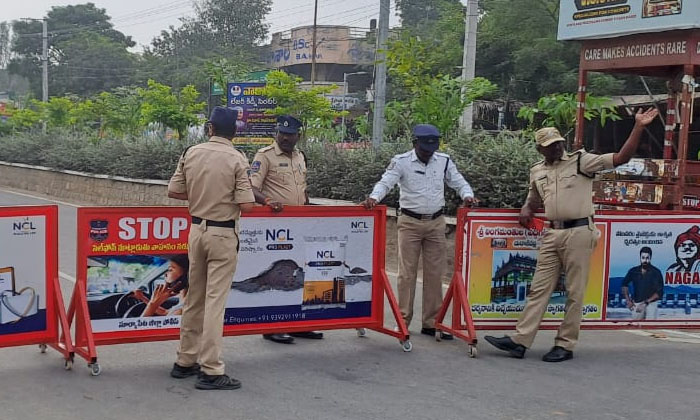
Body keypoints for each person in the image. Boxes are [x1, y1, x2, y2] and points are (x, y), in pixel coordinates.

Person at [485, 108, 658, 362]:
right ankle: (520, 340)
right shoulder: (537, 170)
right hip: (552, 232)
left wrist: (639, 127)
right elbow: (533, 198)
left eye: (558, 144)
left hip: (578, 231)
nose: (555, 148)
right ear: (539, 149)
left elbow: (621, 158)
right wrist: (525, 208)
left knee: (574, 291)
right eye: (549, 146)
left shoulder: (581, 161)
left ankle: (565, 344)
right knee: (539, 289)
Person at [361, 124, 477, 340]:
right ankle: (402, 320)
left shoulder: (443, 161)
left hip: (436, 222)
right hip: (409, 222)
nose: (427, 153)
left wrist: (467, 195)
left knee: (435, 273)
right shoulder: (401, 161)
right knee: (407, 274)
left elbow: (458, 181)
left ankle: (432, 322)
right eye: (424, 149)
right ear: (415, 144)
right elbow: (386, 182)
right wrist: (374, 198)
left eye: (431, 149)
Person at [167, 106, 255, 390]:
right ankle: (212, 370)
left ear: (210, 128)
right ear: (234, 132)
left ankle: (185, 360)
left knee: (194, 296)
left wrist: (201, 194)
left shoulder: (191, 152)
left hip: (196, 231)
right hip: (223, 234)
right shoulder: (238, 159)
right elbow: (247, 206)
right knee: (215, 301)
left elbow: (174, 190)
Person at [249, 115, 324, 344]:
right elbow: (251, 187)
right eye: (281, 133)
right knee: (277, 277)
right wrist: (268, 201)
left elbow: (302, 189)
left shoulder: (301, 157)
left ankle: (298, 324)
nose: (284, 137)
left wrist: (310, 207)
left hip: (300, 225)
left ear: (297, 136)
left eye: (289, 134)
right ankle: (272, 326)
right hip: (276, 226)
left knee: (301, 273)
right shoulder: (265, 156)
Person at [622, 247, 664, 320]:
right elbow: (624, 284)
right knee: (636, 325)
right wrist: (628, 300)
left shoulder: (656, 272)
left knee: (650, 326)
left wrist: (645, 303)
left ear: (650, 258)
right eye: (643, 258)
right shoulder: (633, 271)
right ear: (640, 257)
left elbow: (659, 292)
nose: (645, 260)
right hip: (637, 303)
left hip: (651, 303)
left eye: (647, 258)